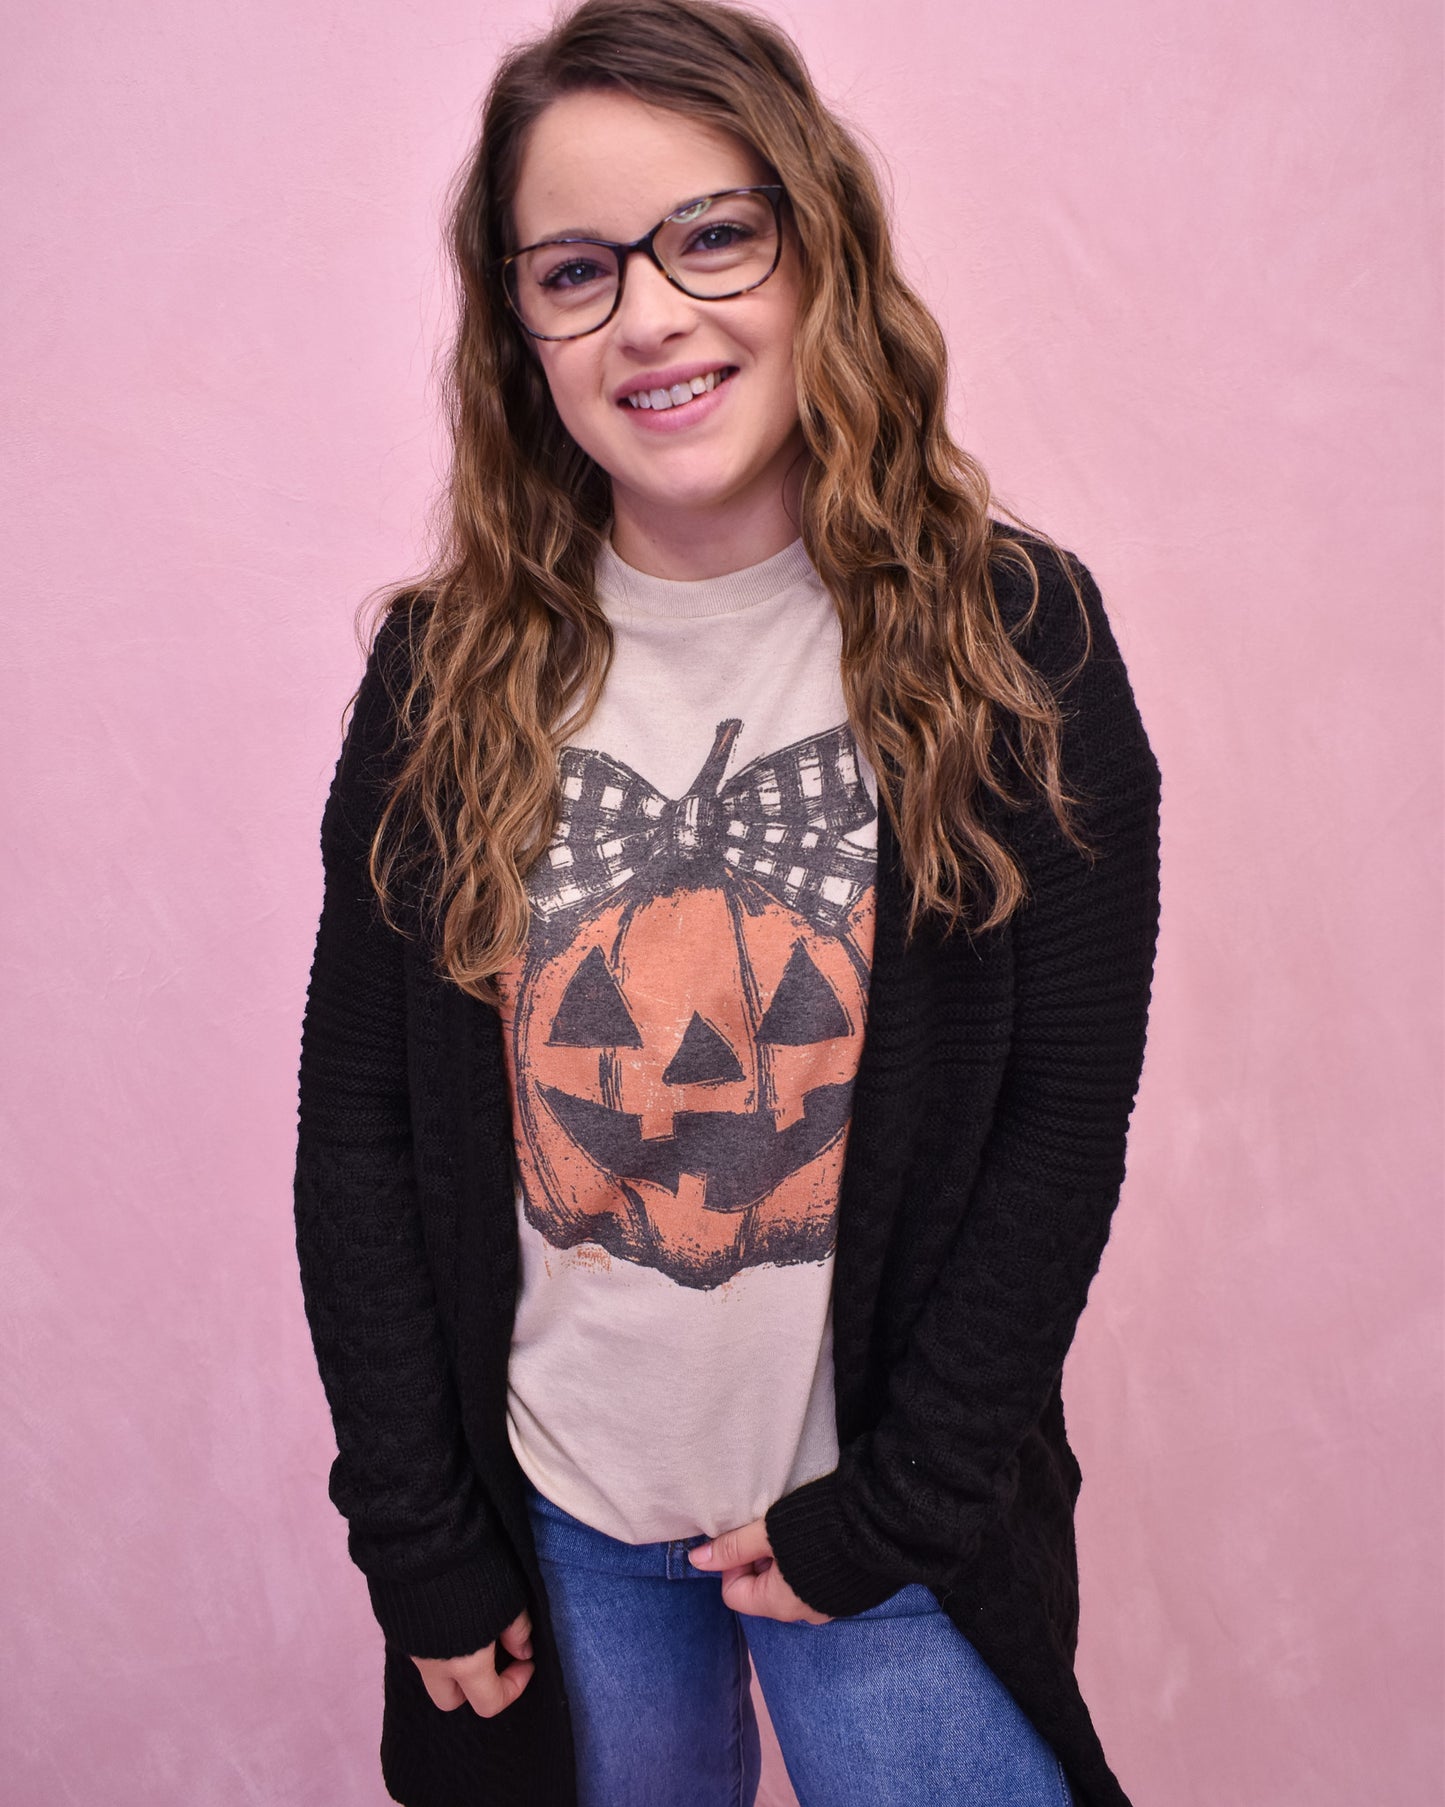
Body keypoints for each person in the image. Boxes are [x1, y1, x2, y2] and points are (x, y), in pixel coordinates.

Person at [291, 2, 1161, 1803]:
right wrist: (414, 1535)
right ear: (519, 324)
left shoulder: (1021, 646)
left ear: (815, 244)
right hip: (554, 1522)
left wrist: (901, 1508)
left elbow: (1056, 1133)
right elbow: (362, 1129)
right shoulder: (439, 677)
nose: (653, 316)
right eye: (575, 272)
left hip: (882, 1518)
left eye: (713, 236)